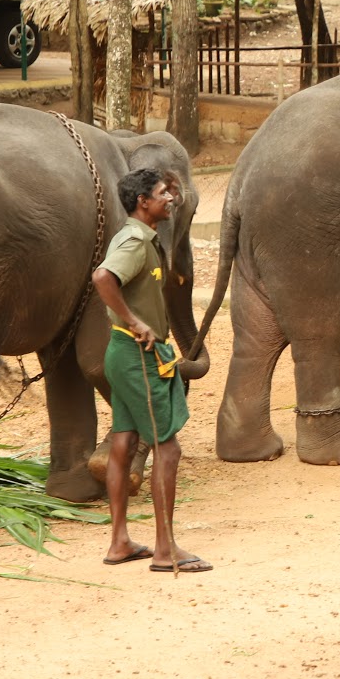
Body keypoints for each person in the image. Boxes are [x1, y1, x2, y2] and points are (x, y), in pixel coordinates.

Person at [93, 167, 211, 574]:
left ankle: (120, 541)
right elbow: (103, 277)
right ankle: (165, 550)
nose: (171, 199)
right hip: (137, 355)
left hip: (126, 354)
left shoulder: (143, 237)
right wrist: (134, 321)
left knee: (123, 442)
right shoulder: (134, 241)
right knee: (168, 447)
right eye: (163, 193)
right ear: (143, 202)